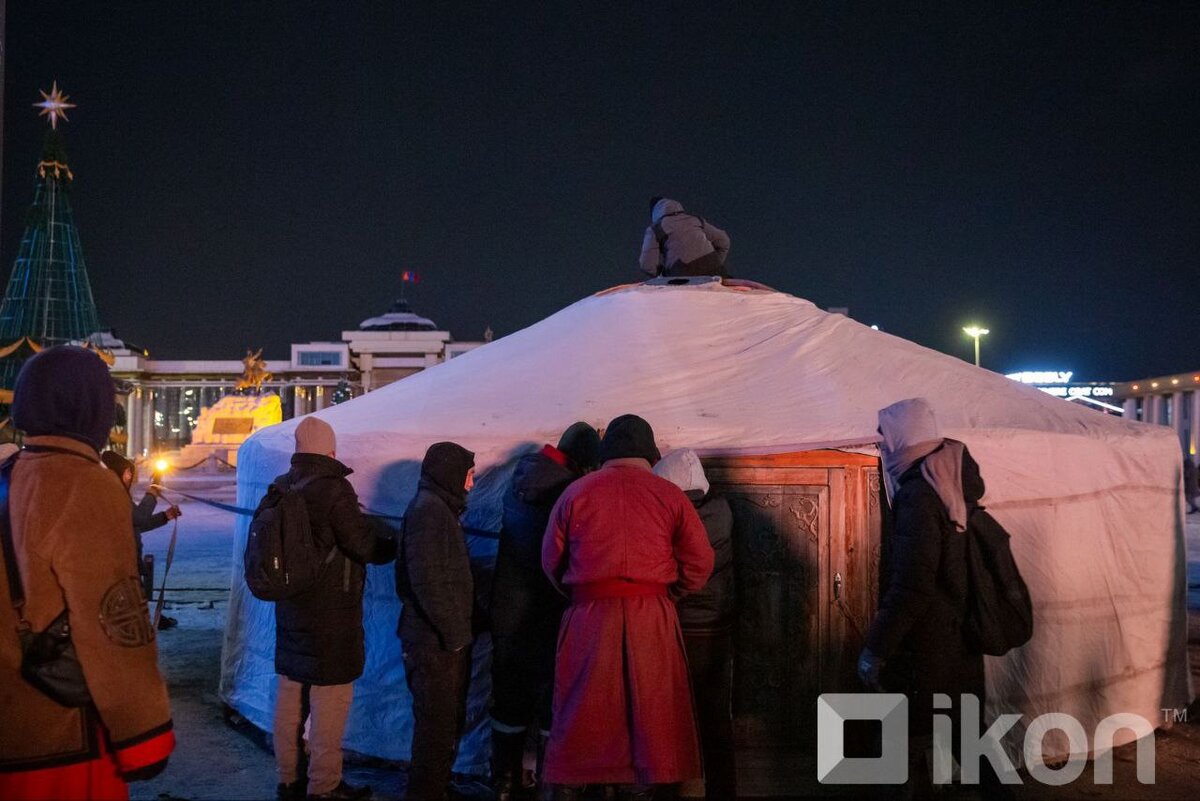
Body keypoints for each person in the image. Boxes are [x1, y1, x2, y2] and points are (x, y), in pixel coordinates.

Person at [0, 346, 175, 800]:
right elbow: (110, 621)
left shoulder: (9, 475)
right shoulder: (84, 483)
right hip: (61, 738)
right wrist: (144, 732)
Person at [541, 415, 714, 800]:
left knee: (583, 716)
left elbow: (550, 561)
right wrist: (668, 595)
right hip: (650, 619)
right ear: (649, 453)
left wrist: (582, 596)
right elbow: (700, 562)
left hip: (589, 619)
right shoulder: (669, 495)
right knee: (647, 718)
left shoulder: (576, 493)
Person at [858, 398, 1009, 799]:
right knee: (966, 739)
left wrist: (876, 649)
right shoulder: (949, 483)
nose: (880, 443)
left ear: (903, 437)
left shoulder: (919, 495)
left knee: (897, 739)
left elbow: (912, 583)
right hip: (958, 645)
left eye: (885, 435)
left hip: (925, 652)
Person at [271, 416, 396, 801]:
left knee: (291, 696)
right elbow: (360, 544)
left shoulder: (279, 486)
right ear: (330, 449)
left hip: (290, 608)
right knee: (329, 703)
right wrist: (392, 542)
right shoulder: (333, 489)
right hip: (331, 616)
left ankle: (289, 778)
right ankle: (324, 785)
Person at [490, 423, 601, 801]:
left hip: (507, 609)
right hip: (549, 612)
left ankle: (504, 783)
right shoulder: (569, 495)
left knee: (509, 700)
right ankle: (550, 786)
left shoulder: (519, 481)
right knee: (556, 702)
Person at [652, 449, 735, 801]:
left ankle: (671, 792)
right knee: (715, 720)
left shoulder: (677, 517)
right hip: (716, 625)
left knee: (670, 719)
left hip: (682, 625)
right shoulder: (721, 509)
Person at [396, 442, 477, 801]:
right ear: (450, 473)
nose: (471, 484)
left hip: (436, 639)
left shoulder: (438, 508)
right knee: (435, 727)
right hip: (433, 643)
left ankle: (437, 787)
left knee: (443, 724)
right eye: (469, 475)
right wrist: (456, 635)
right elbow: (427, 581)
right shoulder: (430, 513)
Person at [100, 450, 182, 629]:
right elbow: (139, 518)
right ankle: (135, 626)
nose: (131, 477)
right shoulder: (113, 495)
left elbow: (136, 524)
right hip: (119, 560)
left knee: (133, 594)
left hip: (124, 558)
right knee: (127, 594)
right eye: (129, 473)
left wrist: (165, 516)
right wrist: (152, 492)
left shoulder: (114, 494)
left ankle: (144, 620)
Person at [638, 197, 730, 278]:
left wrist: (664, 275)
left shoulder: (655, 228)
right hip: (715, 271)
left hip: (682, 275)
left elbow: (647, 265)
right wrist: (714, 263)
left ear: (655, 213)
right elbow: (724, 241)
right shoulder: (695, 219)